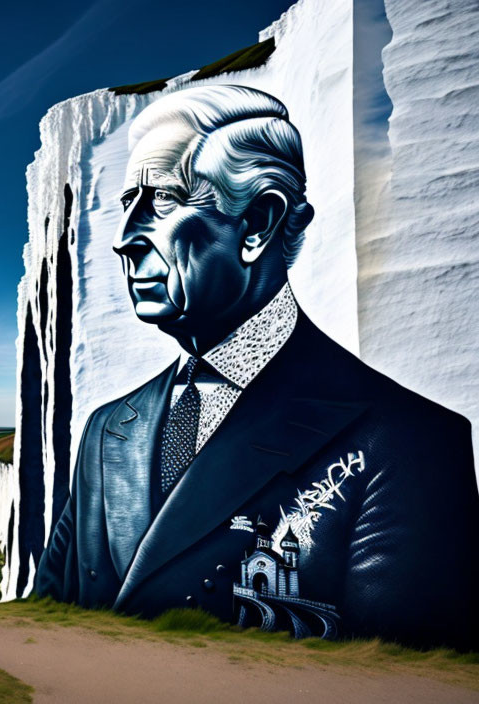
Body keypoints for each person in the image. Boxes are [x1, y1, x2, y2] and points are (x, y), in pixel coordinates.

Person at [34, 85, 478, 649]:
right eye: (129, 203)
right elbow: (41, 631)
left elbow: (407, 680)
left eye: (165, 199)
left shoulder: (407, 444)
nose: (126, 238)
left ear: (258, 224)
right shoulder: (106, 430)